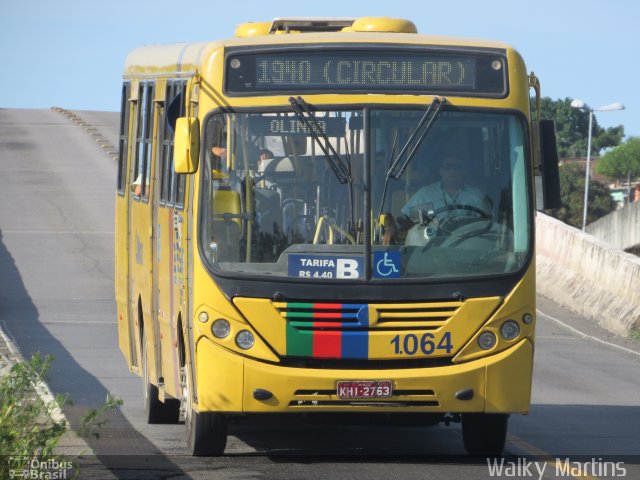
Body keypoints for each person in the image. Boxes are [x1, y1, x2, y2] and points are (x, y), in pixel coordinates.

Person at [400, 154, 492, 225]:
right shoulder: (426, 195)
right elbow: (407, 220)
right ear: (441, 171)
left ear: (464, 172)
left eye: (458, 167)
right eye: (448, 167)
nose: (453, 171)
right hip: (433, 246)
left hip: (468, 245)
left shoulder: (477, 196)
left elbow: (487, 225)